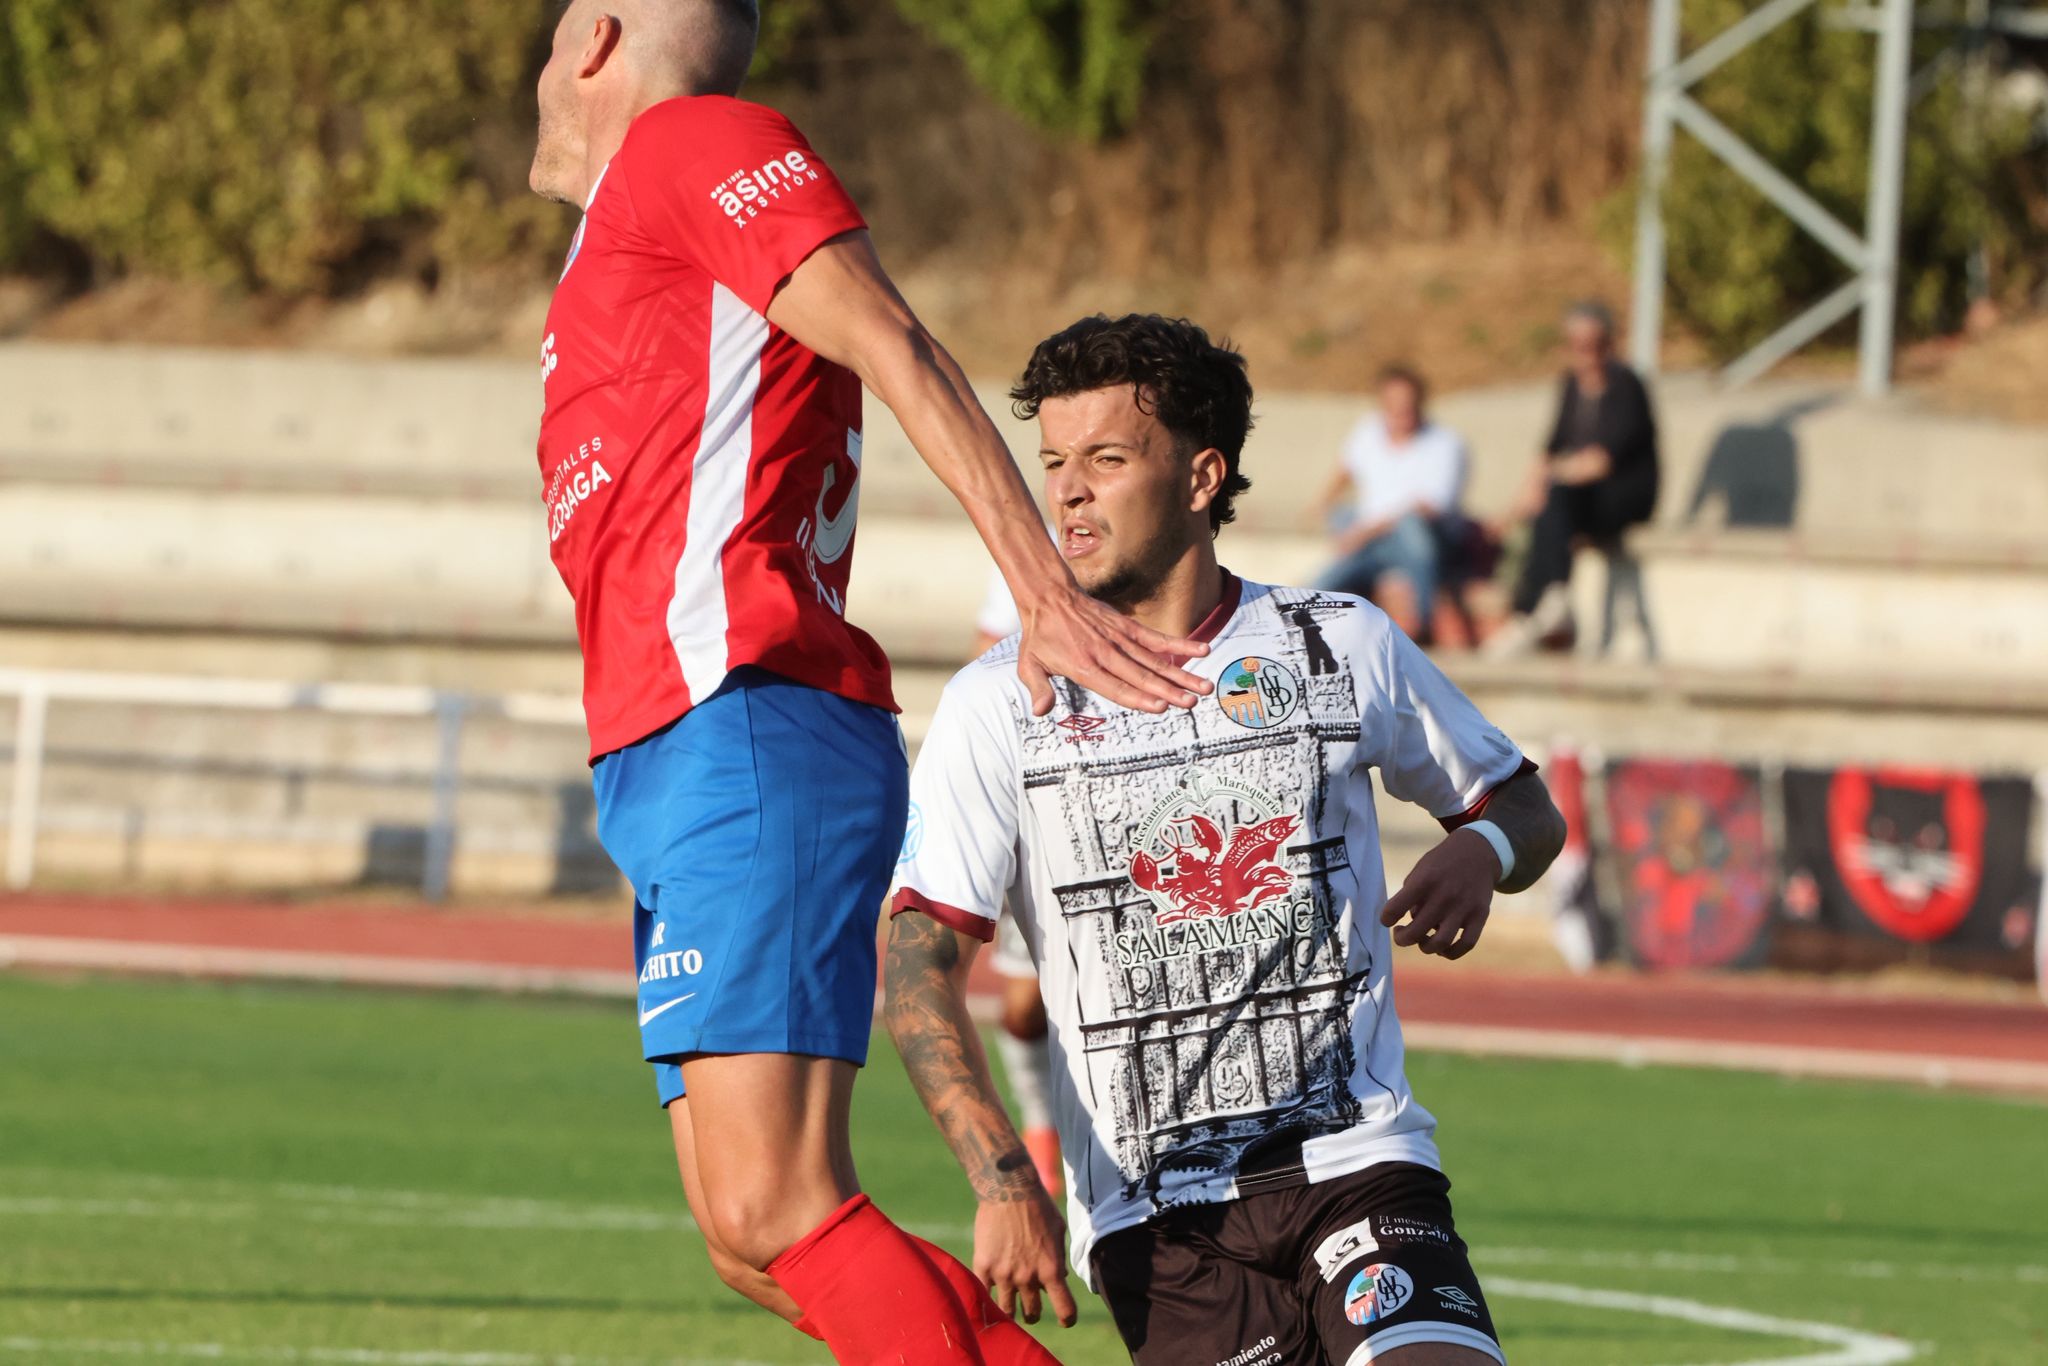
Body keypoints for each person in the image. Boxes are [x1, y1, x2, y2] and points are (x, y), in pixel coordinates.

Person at [527, 5, 1215, 1362]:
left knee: (775, 1201)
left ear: (598, 35)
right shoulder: (621, 230)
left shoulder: (697, 144)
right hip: (675, 750)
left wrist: (1041, 591)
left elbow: (896, 342)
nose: (538, 63)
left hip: (751, 717)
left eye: (551, 32)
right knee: (751, 1235)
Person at [884, 314, 1567, 1364]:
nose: (1065, 490)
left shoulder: (1335, 642)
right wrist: (1004, 1178)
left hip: (1357, 1159)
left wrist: (1479, 852)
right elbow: (912, 963)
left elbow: (1525, 808)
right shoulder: (998, 704)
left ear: (1201, 477)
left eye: (1105, 459)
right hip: (1157, 1226)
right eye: (1053, 462)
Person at [1490, 301, 1660, 654]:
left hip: (1624, 496)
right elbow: (1550, 449)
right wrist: (1515, 508)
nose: (1586, 354)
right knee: (1545, 510)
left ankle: (1544, 605)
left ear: (1608, 344)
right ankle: (1538, 607)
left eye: (1594, 344)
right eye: (1577, 344)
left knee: (1558, 497)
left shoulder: (1626, 386)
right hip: (1580, 495)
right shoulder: (1570, 385)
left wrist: (1551, 479)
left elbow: (1600, 462)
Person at [1316, 365, 1469, 642]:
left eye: (1407, 404)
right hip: (1373, 540)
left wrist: (1364, 532)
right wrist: (1322, 504)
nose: (1401, 411)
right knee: (1343, 523)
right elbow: (1346, 468)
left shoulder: (1445, 443)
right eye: (1393, 405)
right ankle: (1312, 603)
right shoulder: (1368, 431)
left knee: (1411, 528)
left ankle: (1422, 621)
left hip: (1422, 541)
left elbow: (1428, 509)